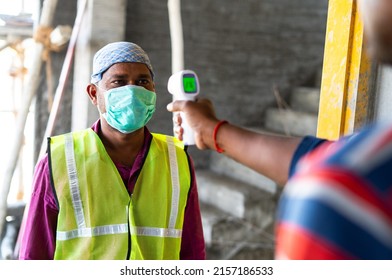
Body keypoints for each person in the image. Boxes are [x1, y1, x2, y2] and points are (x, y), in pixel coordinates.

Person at [167, 0, 392, 259]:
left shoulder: (338, 204)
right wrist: (212, 131)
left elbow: (333, 167)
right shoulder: (357, 168)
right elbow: (317, 156)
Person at [19, 41, 205, 260]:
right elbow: (33, 256)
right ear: (93, 93)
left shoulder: (177, 159)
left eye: (142, 81)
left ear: (153, 90)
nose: (133, 91)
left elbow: (192, 252)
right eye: (119, 82)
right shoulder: (58, 160)